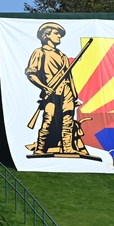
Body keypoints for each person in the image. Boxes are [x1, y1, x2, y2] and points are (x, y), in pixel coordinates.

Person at [24, 22, 94, 159]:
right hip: (51, 92)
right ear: (47, 35)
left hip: (67, 92)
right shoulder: (40, 52)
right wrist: (44, 88)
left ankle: (68, 148)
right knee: (48, 119)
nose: (59, 37)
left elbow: (69, 77)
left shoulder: (62, 56)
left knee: (68, 120)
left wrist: (74, 96)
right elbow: (30, 73)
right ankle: (40, 148)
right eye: (56, 34)